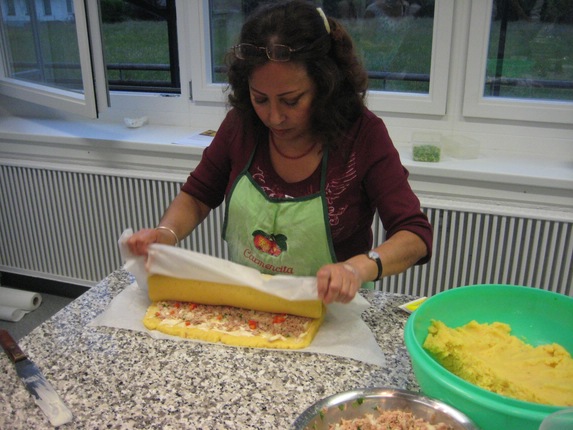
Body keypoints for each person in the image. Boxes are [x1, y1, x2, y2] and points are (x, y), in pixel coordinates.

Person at [126, 0, 432, 305]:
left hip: (335, 315)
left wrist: (359, 267)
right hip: (248, 309)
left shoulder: (362, 135)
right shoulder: (241, 125)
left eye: (291, 100)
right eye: (260, 99)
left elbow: (414, 234)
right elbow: (196, 197)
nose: (274, 117)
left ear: (326, 84)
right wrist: (166, 233)